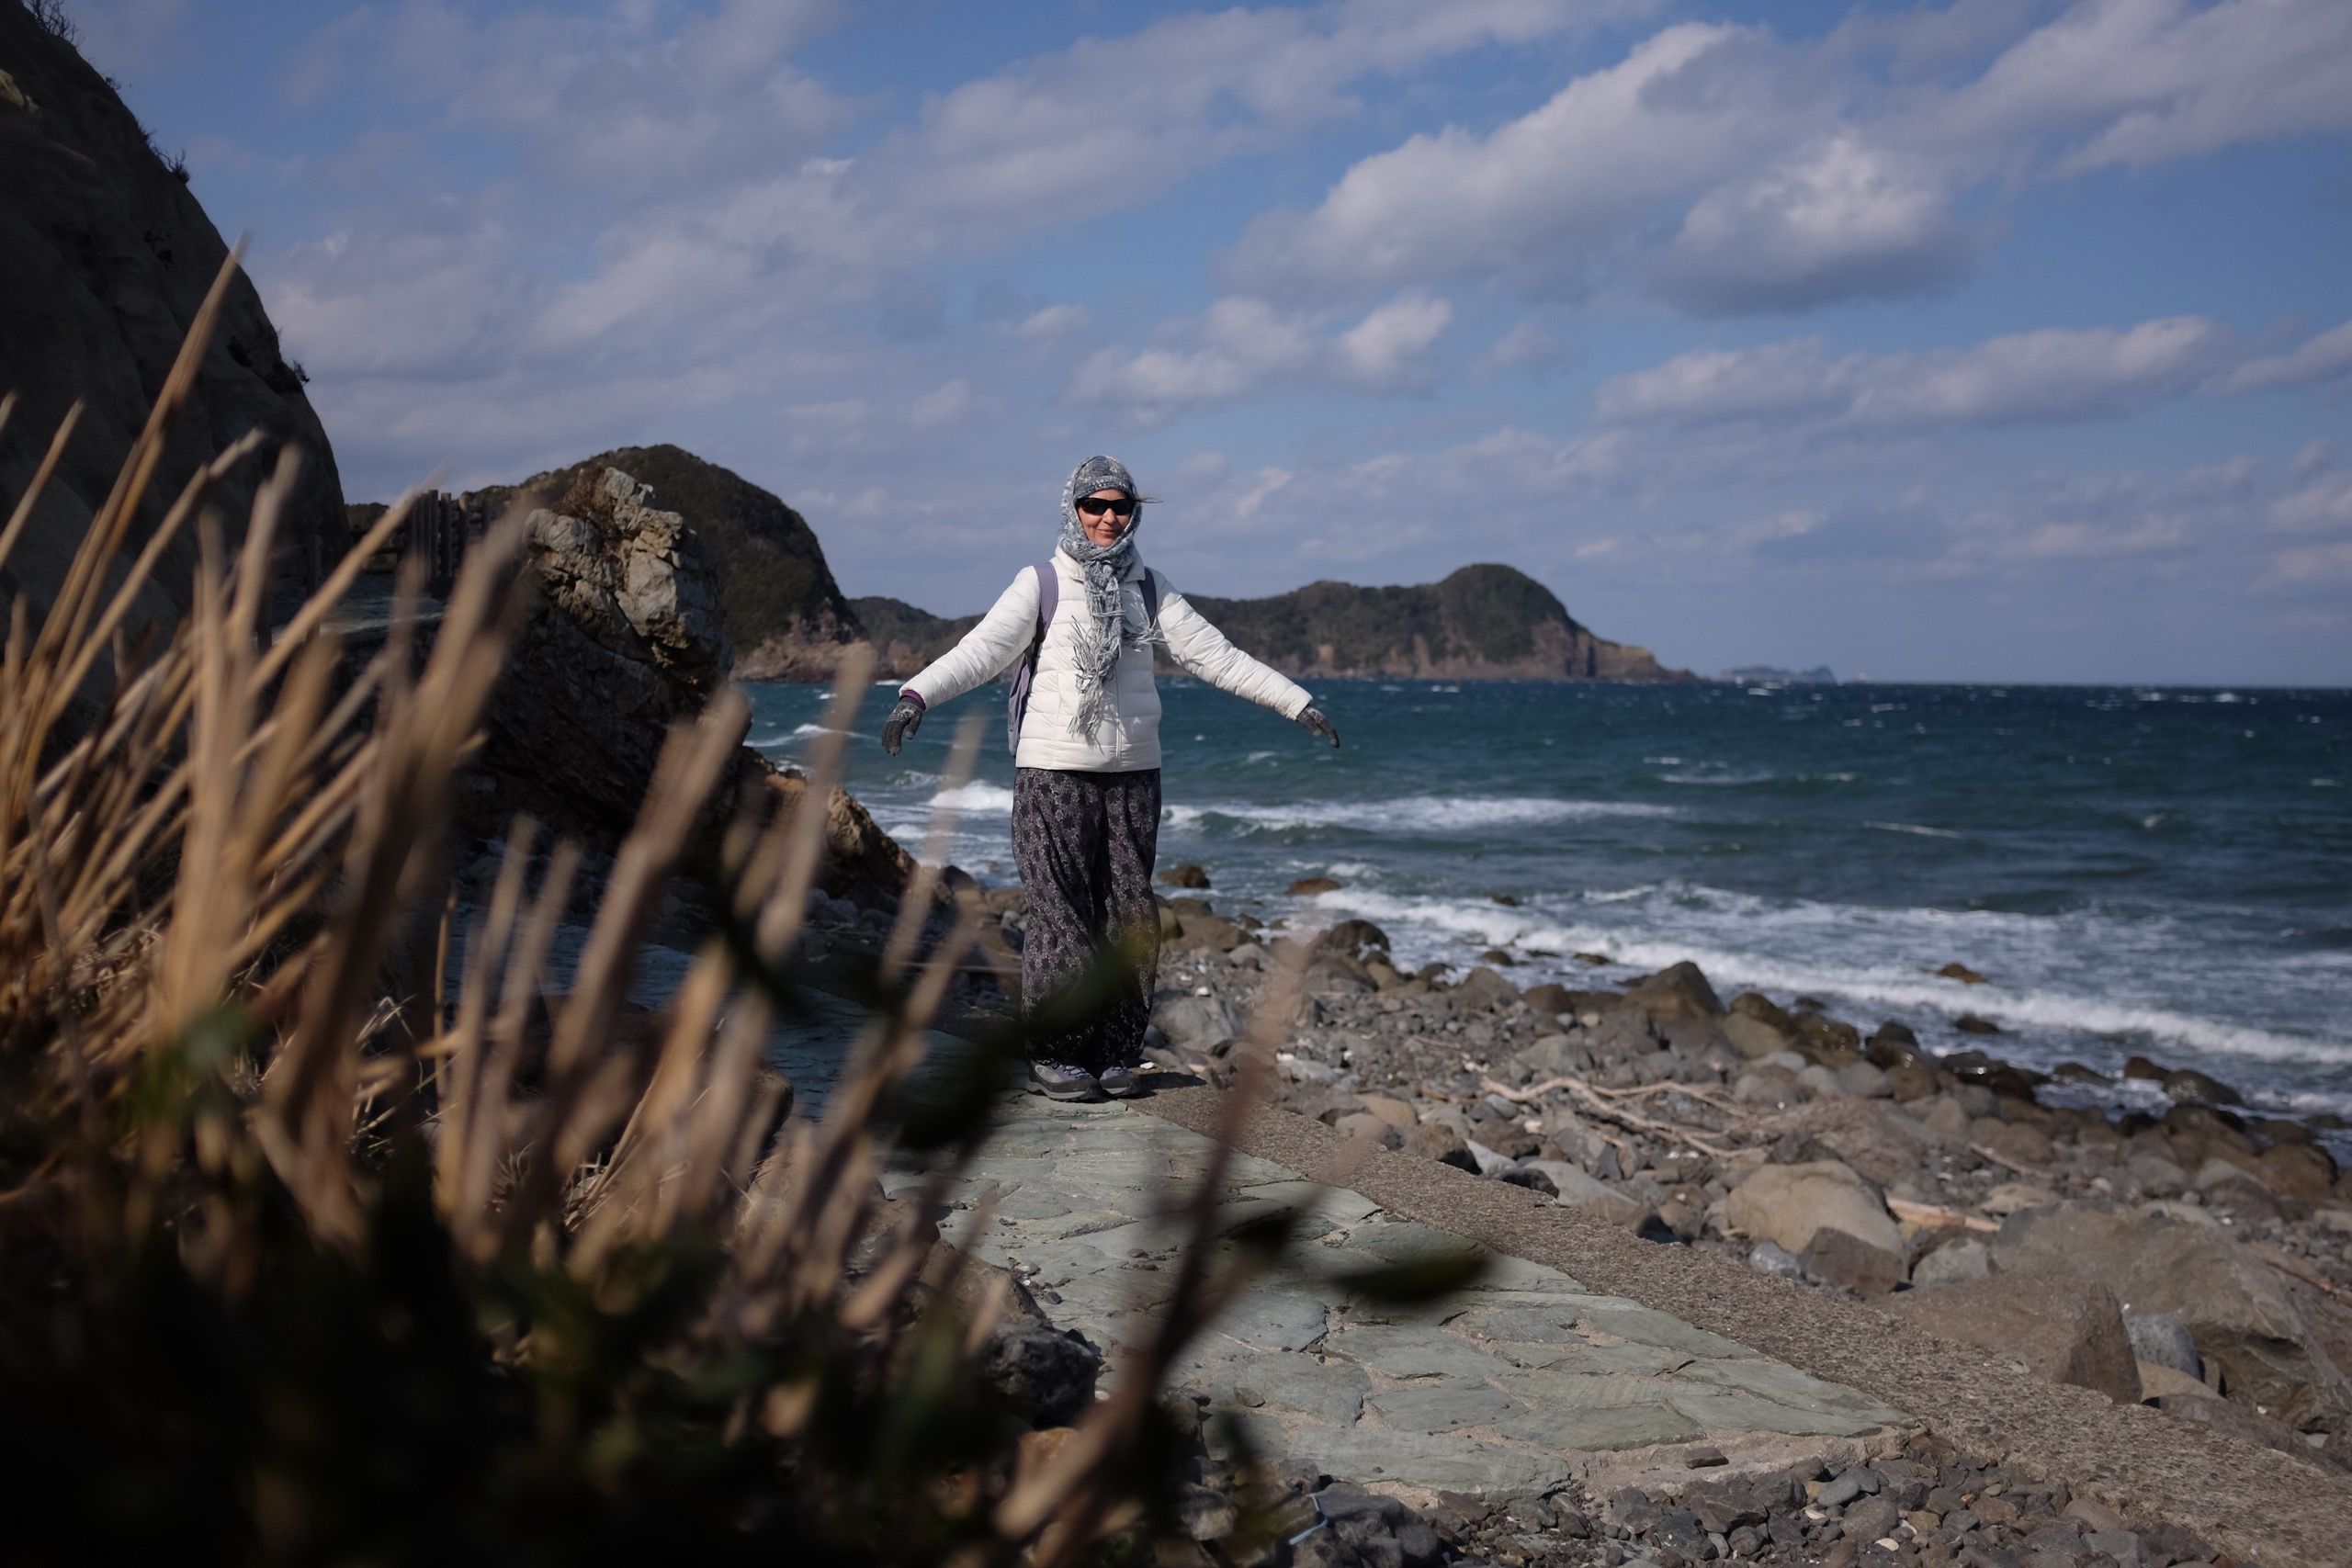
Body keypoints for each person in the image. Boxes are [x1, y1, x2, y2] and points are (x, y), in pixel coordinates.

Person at [880, 456, 1338, 1101]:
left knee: (1128, 918)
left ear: (1134, 512)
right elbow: (982, 650)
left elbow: (1217, 656)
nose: (1107, 517)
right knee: (1061, 917)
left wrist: (1297, 701)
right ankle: (1056, 1054)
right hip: (1053, 774)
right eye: (1094, 505)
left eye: (1119, 505)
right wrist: (916, 695)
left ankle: (1116, 1052)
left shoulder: (1149, 589)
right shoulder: (1040, 583)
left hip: (1132, 778)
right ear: (1073, 508)